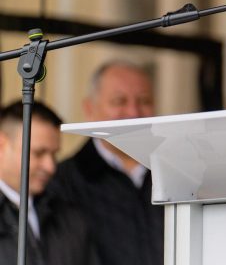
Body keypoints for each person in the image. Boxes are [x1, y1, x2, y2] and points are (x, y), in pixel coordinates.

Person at [49, 60, 163, 265]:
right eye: (119, 101)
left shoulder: (176, 171)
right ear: (89, 109)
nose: (134, 113)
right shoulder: (62, 182)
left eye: (144, 101)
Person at [0, 100, 99, 264]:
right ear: (2, 145)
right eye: (39, 153)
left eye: (54, 154)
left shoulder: (70, 218)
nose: (50, 167)